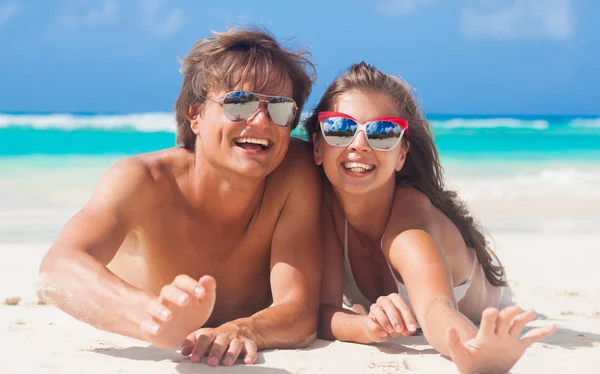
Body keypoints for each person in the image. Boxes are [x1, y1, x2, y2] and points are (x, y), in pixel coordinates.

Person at [36, 27, 323, 367]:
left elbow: (300, 311)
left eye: (279, 108)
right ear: (195, 115)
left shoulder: (295, 173)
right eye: (239, 103)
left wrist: (243, 330)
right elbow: (58, 269)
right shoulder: (145, 181)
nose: (260, 120)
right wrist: (153, 317)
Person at [305, 62, 556, 374]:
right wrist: (365, 326)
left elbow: (435, 308)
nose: (359, 145)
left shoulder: (409, 225)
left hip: (485, 301)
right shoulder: (323, 211)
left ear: (401, 154)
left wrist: (470, 348)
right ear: (318, 146)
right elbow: (323, 311)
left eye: (383, 132)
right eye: (340, 129)